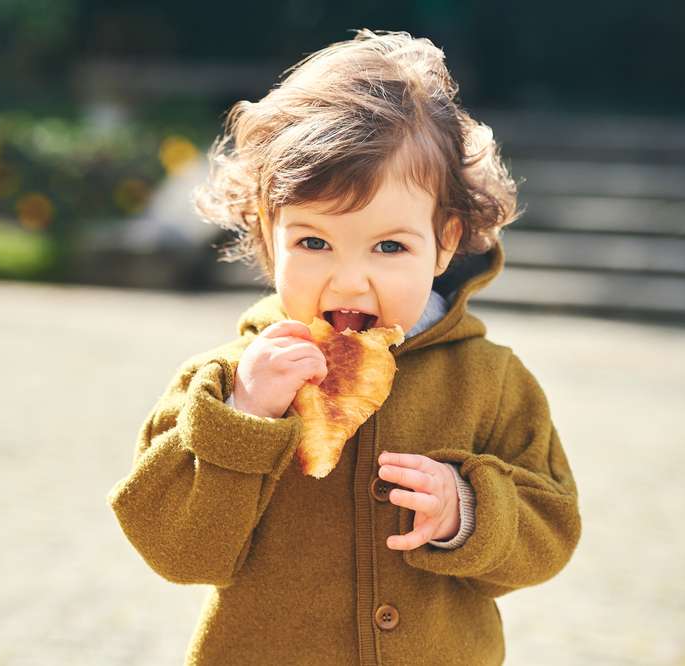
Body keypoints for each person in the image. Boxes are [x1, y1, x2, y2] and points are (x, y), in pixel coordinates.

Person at [106, 28, 581, 666]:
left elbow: (550, 530)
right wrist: (244, 418)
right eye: (313, 243)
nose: (350, 280)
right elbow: (179, 554)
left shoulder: (489, 380)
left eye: (389, 247)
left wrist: (465, 511)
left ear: (445, 241)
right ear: (266, 233)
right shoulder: (220, 382)